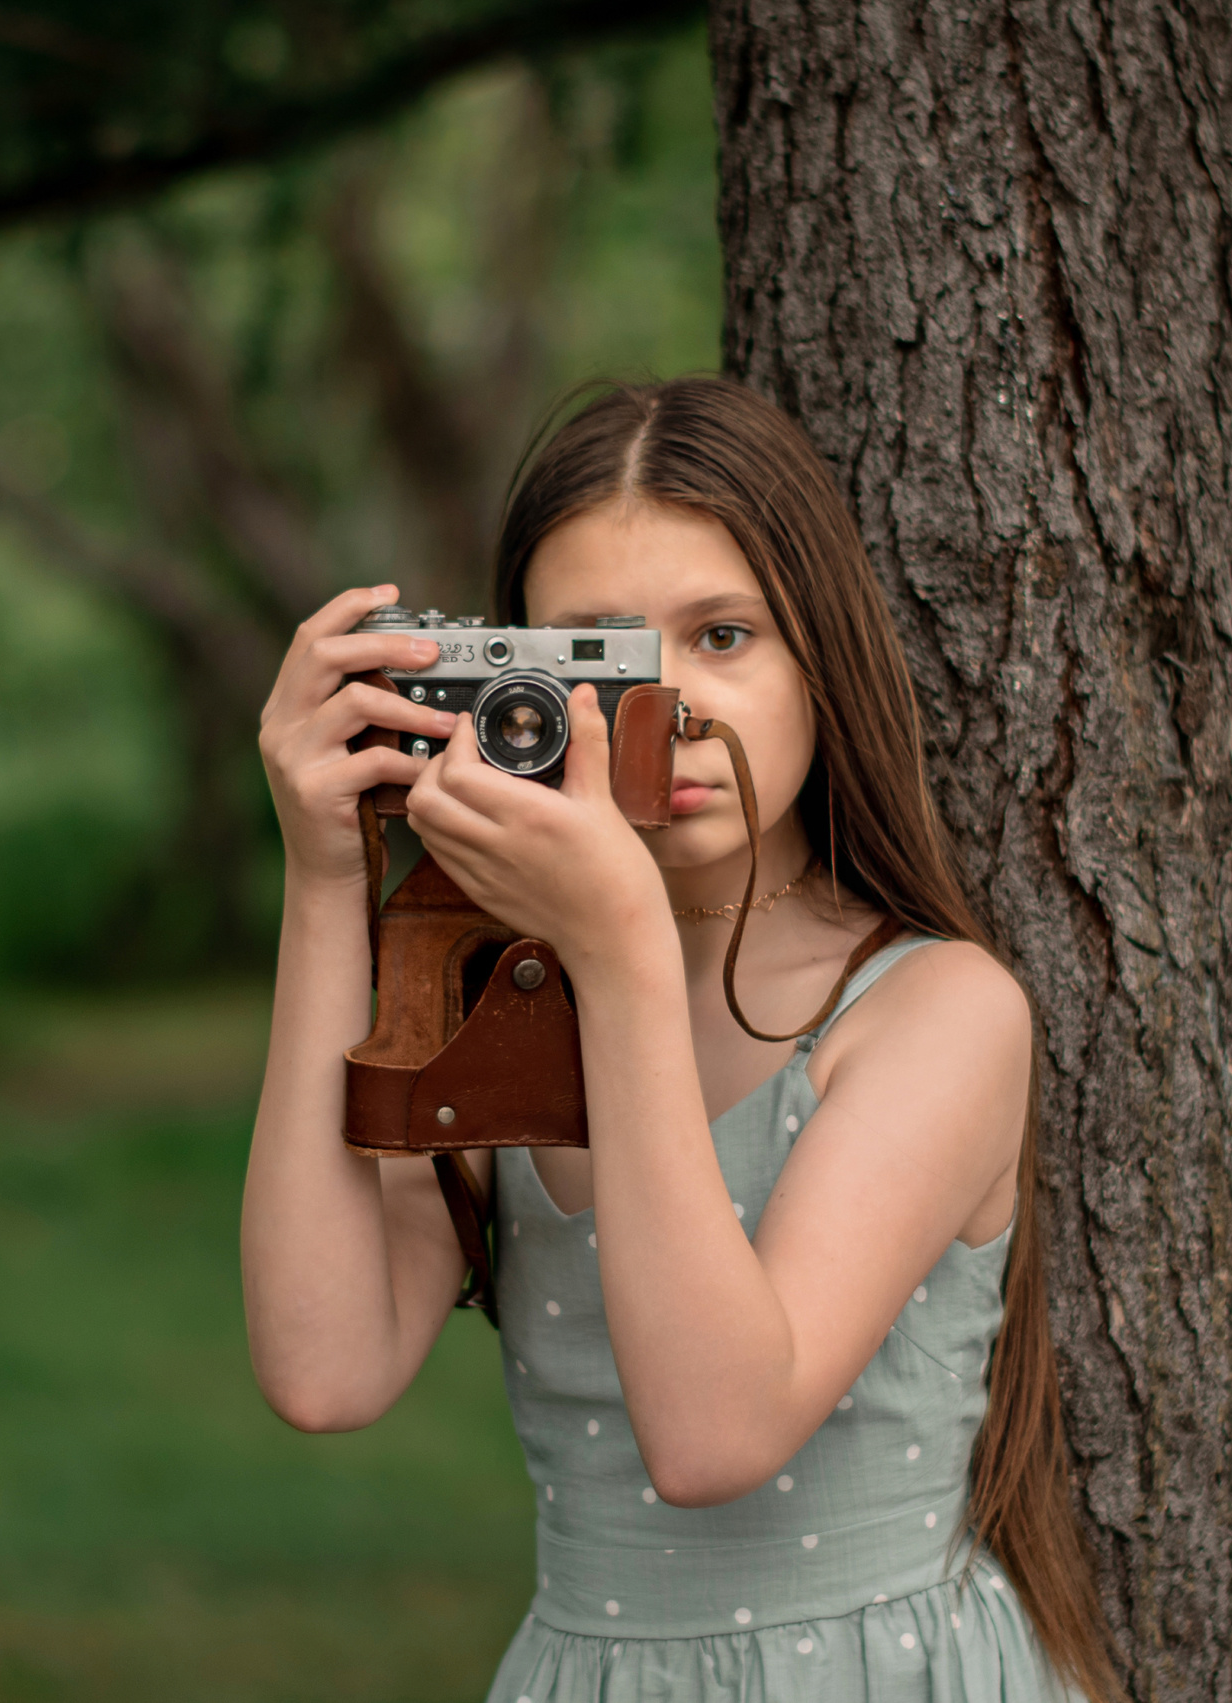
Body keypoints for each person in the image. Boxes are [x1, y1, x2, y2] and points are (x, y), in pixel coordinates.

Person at [243, 377, 1117, 1702]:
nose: (676, 706)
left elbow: (716, 1434)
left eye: (722, 636)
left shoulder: (933, 1013)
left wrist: (620, 957)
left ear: (823, 652)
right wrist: (325, 882)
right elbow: (324, 1366)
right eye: (599, 655)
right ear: (516, 686)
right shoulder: (498, 994)